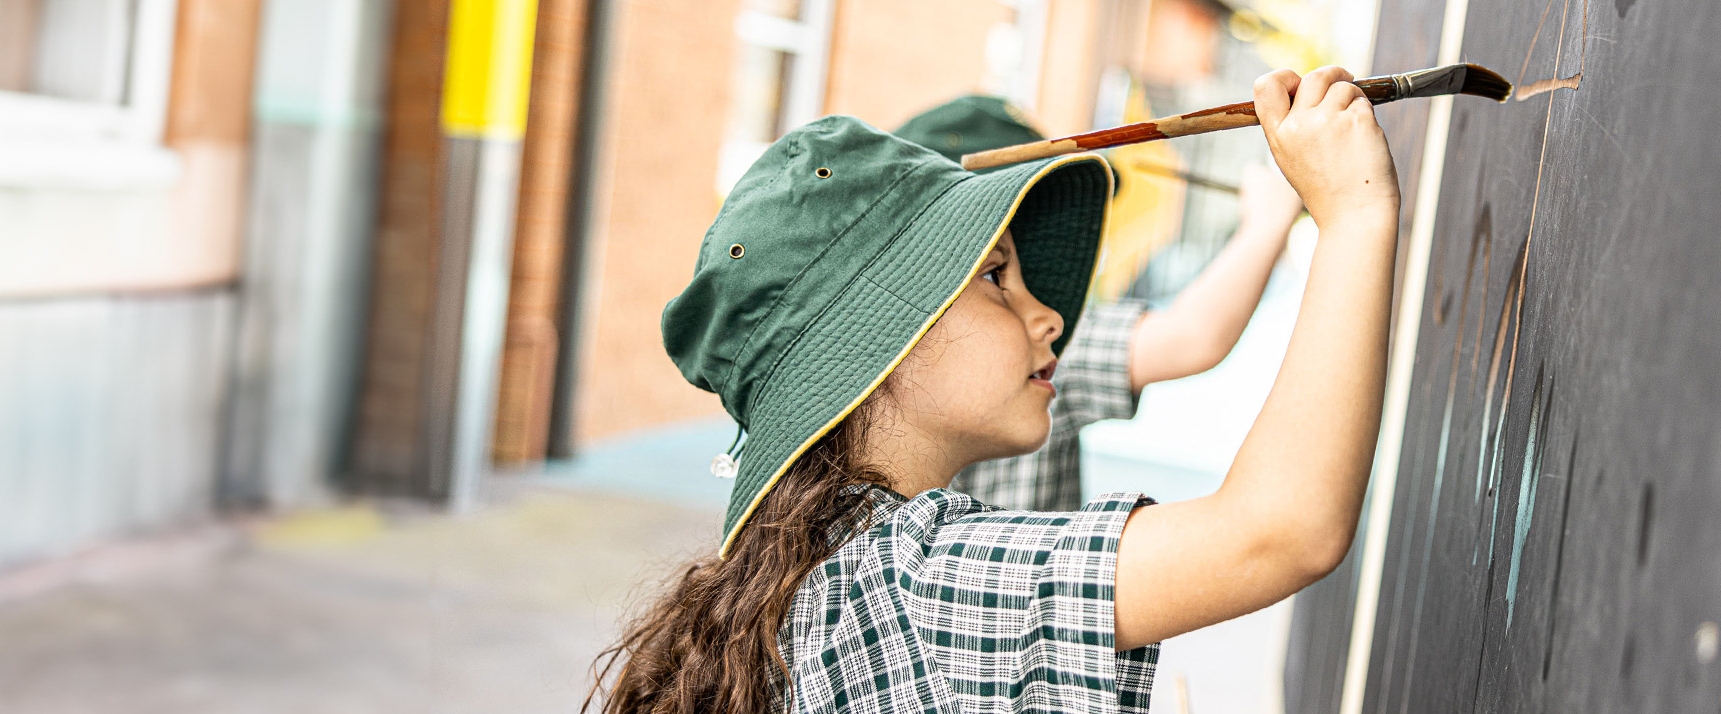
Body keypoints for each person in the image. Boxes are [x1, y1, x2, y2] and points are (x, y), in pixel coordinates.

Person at [589, 67, 1400, 714]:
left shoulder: (824, 578)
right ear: (880, 341)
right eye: (996, 277)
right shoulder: (912, 581)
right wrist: (1355, 216)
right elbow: (1280, 532)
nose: (1047, 315)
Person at [895, 95, 1307, 511]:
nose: (1051, 318)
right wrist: (1266, 222)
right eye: (995, 271)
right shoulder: (1041, 342)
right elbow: (1190, 338)